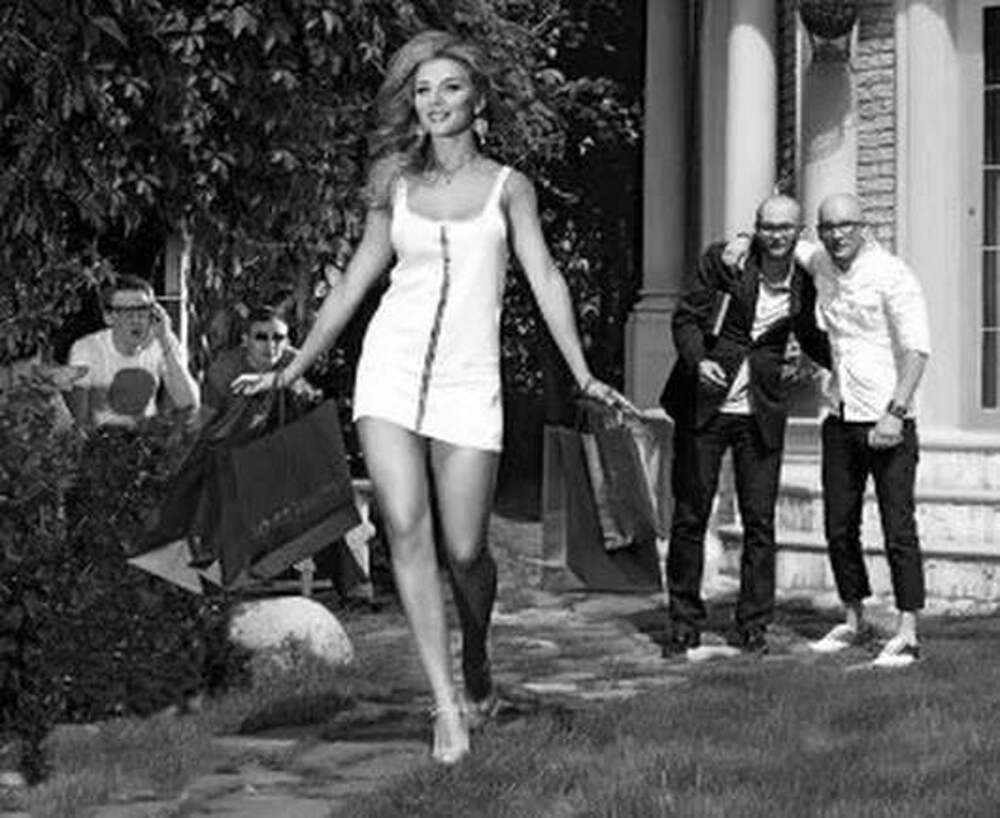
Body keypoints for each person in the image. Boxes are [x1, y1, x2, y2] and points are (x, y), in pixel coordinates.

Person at [233, 29, 633, 764]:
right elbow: (353, 284)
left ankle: (476, 650)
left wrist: (582, 373)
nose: (435, 101)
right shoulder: (394, 183)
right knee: (406, 527)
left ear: (478, 99)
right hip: (389, 371)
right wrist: (291, 369)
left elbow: (546, 278)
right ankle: (446, 705)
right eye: (422, 90)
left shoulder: (510, 188)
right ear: (411, 105)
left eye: (450, 87)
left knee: (466, 549)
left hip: (467, 382)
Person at [660, 195, 830, 658]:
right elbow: (686, 319)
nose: (776, 235)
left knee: (760, 522)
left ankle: (753, 625)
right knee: (691, 515)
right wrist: (698, 361)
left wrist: (849, 364)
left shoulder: (806, 278)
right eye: (768, 226)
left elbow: (810, 335)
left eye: (785, 228)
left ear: (798, 232)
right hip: (706, 407)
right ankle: (684, 623)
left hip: (762, 411)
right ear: (756, 227)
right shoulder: (726, 262)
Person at [799, 193, 930, 667]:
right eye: (828, 227)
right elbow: (786, 241)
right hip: (840, 417)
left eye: (846, 225)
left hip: (887, 421)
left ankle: (908, 632)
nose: (837, 235)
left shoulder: (893, 275)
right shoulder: (820, 261)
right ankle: (854, 619)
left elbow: (916, 350)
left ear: (864, 227)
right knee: (839, 526)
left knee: (898, 529)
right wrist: (741, 240)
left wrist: (895, 412)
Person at [67, 274, 199, 429]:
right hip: (100, 437)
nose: (136, 320)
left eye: (143, 311)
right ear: (109, 317)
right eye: (127, 312)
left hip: (146, 437)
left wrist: (165, 340)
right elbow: (78, 420)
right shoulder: (87, 349)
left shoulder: (163, 342)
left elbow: (189, 406)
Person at [200, 305, 320, 424]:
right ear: (245, 340)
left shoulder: (296, 361)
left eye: (278, 338)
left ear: (287, 342)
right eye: (261, 337)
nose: (271, 346)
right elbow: (204, 418)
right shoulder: (223, 370)